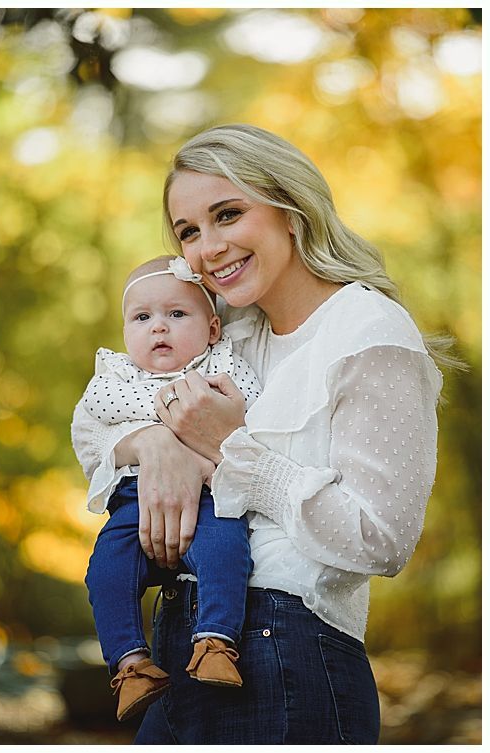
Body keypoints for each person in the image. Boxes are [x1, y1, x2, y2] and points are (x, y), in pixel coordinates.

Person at [71, 124, 444, 744]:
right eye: (189, 231)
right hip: (172, 642)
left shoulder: (368, 334)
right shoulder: (231, 332)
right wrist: (157, 444)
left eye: (228, 214)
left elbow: (382, 540)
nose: (208, 247)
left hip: (288, 650)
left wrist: (228, 451)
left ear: (290, 209)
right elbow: (95, 424)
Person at [78, 255, 261, 721]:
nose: (158, 328)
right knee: (105, 570)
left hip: (211, 496)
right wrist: (182, 401)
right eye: (143, 318)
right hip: (132, 502)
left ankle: (216, 641)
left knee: (227, 549)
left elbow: (252, 416)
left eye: (176, 314)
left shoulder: (227, 367)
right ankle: (131, 663)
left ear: (213, 329)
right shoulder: (116, 374)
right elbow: (98, 404)